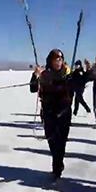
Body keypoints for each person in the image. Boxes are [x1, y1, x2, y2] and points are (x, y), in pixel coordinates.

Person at [29, 49, 75, 182]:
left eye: (60, 59)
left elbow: (74, 87)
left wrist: (72, 80)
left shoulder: (67, 73)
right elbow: (33, 88)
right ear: (51, 60)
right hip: (48, 113)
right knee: (51, 141)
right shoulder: (44, 74)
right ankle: (58, 163)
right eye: (56, 59)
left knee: (61, 142)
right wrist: (35, 75)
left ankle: (57, 168)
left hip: (64, 112)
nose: (58, 61)